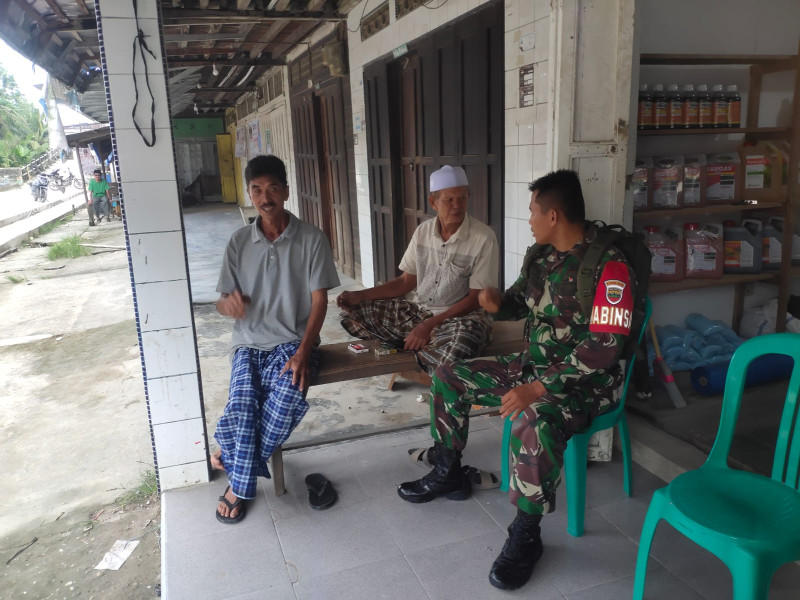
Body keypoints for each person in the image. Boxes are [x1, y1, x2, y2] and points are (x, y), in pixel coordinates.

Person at [397, 170, 637, 591]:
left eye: (532, 212)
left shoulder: (609, 267)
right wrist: (495, 303)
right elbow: (520, 304)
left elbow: (605, 348)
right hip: (533, 367)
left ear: (553, 215)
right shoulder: (543, 257)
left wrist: (538, 389)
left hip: (585, 386)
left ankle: (527, 533)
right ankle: (448, 468)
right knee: (450, 376)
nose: (528, 220)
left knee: (533, 418)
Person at [211, 155, 340, 524]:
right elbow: (222, 301)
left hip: (292, 343)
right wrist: (228, 305)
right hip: (248, 343)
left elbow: (320, 300)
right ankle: (240, 475)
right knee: (242, 405)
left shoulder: (312, 239)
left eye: (271, 189)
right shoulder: (238, 242)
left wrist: (303, 352)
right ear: (249, 193)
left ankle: (234, 471)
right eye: (256, 190)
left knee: (285, 400)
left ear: (285, 191)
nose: (264, 198)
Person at [337, 165, 499, 373]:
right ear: (433, 203)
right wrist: (359, 295)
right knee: (353, 313)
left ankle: (421, 347)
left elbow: (477, 299)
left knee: (464, 340)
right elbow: (405, 282)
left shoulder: (483, 238)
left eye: (462, 198)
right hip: (418, 312)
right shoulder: (423, 232)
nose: (457, 206)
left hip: (459, 319)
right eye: (449, 200)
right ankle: (429, 349)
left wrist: (429, 325)